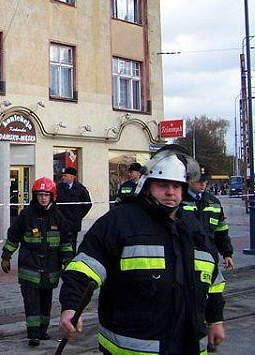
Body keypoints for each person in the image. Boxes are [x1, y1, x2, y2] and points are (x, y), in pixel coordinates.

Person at [59, 145, 226, 354]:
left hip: (188, 344)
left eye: (177, 186)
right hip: (133, 347)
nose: (170, 192)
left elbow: (213, 279)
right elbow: (84, 269)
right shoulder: (120, 221)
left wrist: (215, 319)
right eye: (162, 185)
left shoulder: (193, 229)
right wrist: (71, 308)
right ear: (147, 186)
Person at [1, 177, 73, 347]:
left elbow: (65, 241)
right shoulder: (26, 215)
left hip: (50, 269)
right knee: (31, 302)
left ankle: (42, 330)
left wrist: (68, 260)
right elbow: (13, 236)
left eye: (46, 195)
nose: (43, 198)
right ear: (35, 196)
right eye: (40, 194)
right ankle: (33, 334)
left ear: (52, 196)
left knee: (46, 301)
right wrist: (6, 256)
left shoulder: (58, 217)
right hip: (30, 268)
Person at [183, 166, 234, 270]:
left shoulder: (213, 202)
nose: (203, 184)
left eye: (205, 180)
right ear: (189, 180)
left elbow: (221, 231)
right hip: (186, 258)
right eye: (199, 181)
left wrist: (227, 254)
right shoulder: (179, 201)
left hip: (209, 257)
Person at [56, 167, 92, 253]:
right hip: (60, 222)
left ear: (72, 177)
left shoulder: (80, 189)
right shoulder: (59, 187)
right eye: (63, 175)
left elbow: (87, 204)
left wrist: (78, 216)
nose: (63, 177)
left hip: (73, 223)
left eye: (65, 176)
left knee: (71, 247)